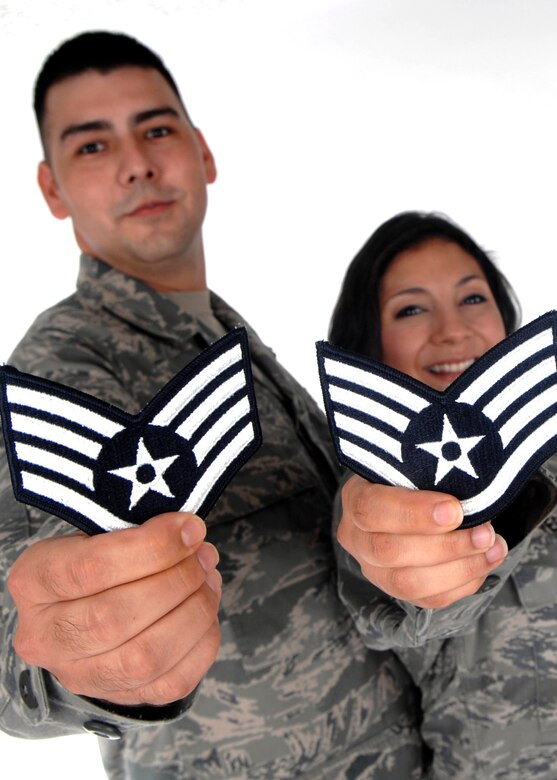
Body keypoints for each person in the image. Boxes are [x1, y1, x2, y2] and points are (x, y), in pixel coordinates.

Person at [0, 31, 430, 779]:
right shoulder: (60, 367)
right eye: (93, 147)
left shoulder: (224, 333)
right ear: (52, 189)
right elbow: (28, 622)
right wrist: (74, 661)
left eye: (156, 129)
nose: (138, 161)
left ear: (202, 154)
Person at [328, 211, 557, 779]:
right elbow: (392, 595)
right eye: (411, 309)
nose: (453, 330)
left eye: (473, 299)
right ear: (372, 348)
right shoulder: (375, 495)